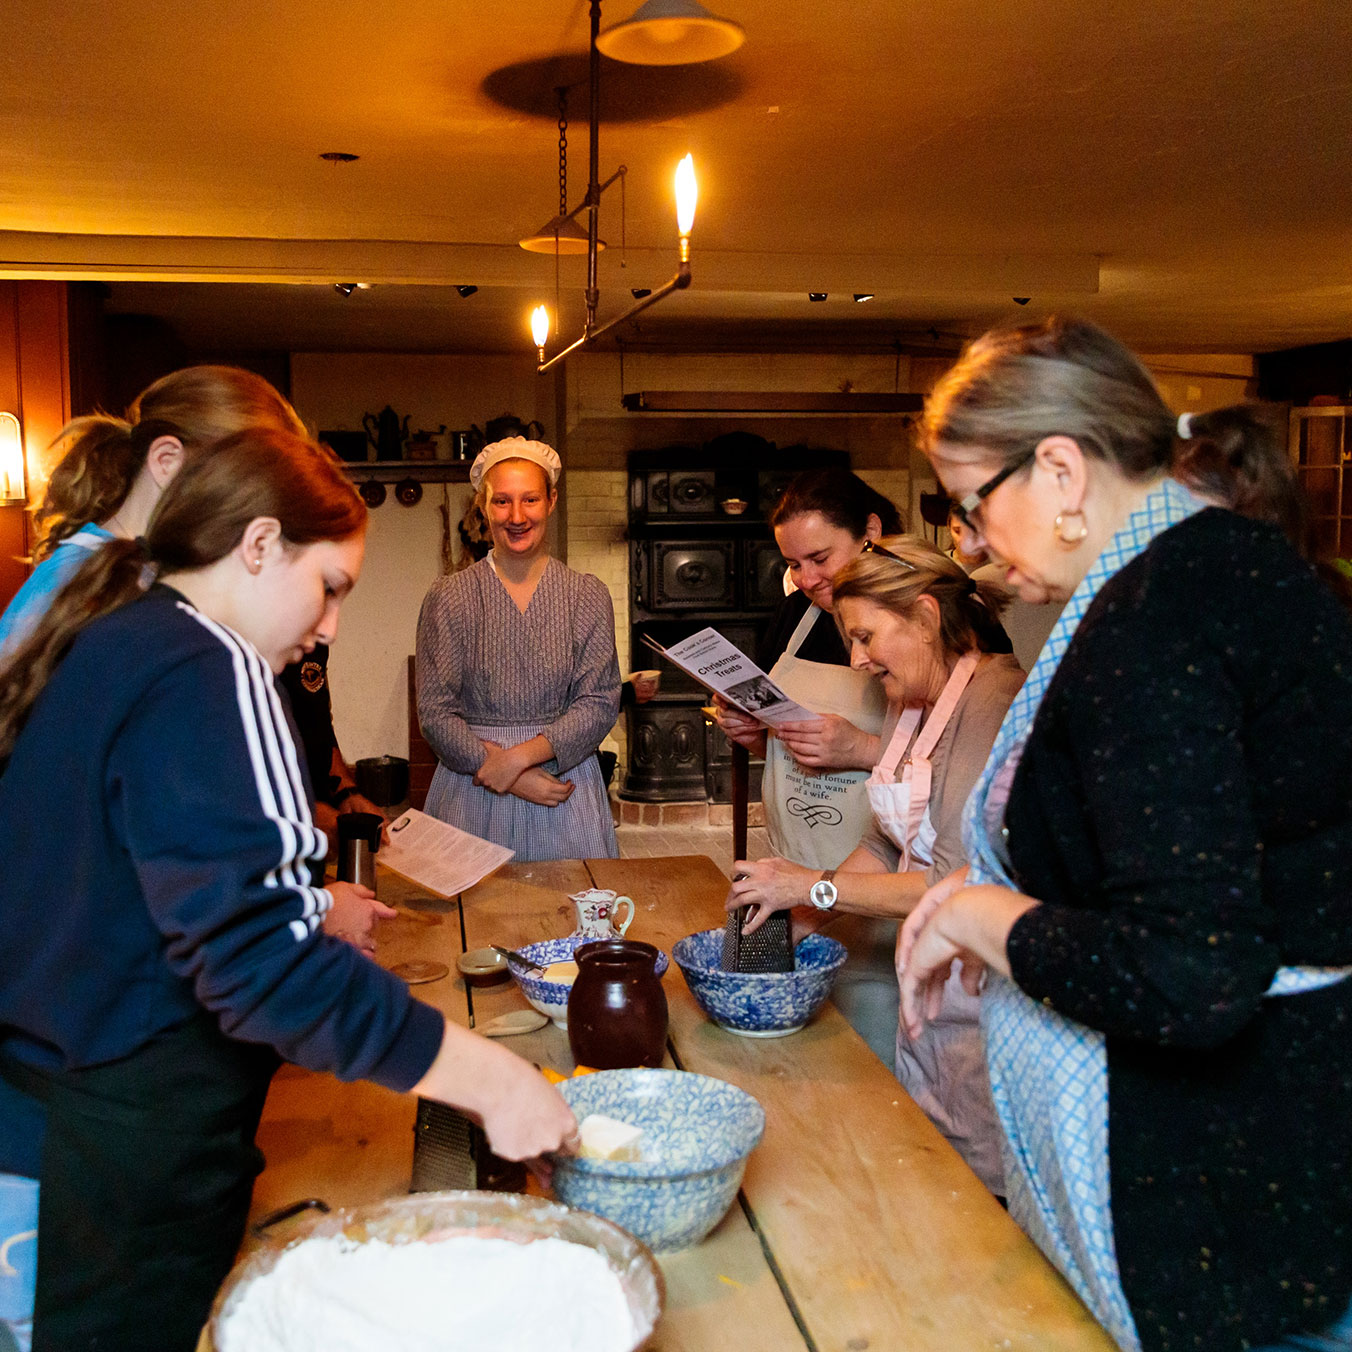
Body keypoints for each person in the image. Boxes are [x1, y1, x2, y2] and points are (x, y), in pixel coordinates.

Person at [0, 428, 576, 1352]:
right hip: (123, 1140)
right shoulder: (210, 668)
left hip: (50, 1117)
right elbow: (265, 960)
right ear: (259, 545)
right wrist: (494, 1082)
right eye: (330, 588)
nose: (330, 627)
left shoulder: (118, 642)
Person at [898, 317, 1352, 1352]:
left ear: (1060, 470)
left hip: (1219, 1195)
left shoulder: (1151, 619)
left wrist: (980, 913)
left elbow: (1189, 971)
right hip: (1283, 1158)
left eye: (972, 505)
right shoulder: (1230, 561)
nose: (969, 544)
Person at [726, 536, 1022, 1192]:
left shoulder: (992, 698)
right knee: (929, 1169)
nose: (857, 661)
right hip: (927, 985)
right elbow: (889, 844)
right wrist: (799, 913)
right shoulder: (911, 699)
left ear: (923, 616)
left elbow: (951, 881)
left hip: (986, 995)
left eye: (864, 637)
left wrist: (815, 886)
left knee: (981, 1195)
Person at [713, 468, 902, 1057]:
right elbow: (786, 743)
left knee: (871, 1065)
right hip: (796, 881)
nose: (807, 578)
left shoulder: (922, 626)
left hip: (883, 899)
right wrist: (753, 734)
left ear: (870, 530)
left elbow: (960, 766)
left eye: (820, 557)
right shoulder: (794, 619)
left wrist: (863, 749)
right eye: (794, 565)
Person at [0, 365, 305, 659]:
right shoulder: (87, 581)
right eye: (238, 488)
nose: (247, 518)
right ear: (166, 460)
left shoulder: (131, 570)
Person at [416, 436, 621, 861]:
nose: (516, 516)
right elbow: (435, 712)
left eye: (529, 500)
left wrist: (517, 762)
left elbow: (599, 702)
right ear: (483, 507)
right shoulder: (450, 597)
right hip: (472, 790)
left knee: (572, 915)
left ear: (551, 501)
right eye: (502, 501)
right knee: (474, 921)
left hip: (562, 792)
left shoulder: (586, 595)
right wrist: (506, 773)